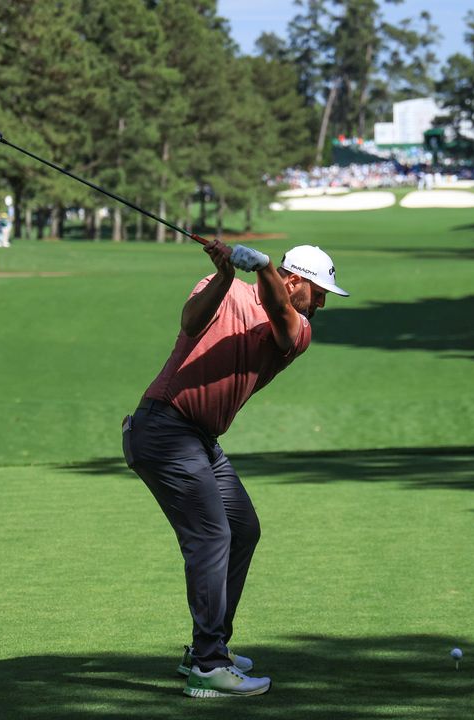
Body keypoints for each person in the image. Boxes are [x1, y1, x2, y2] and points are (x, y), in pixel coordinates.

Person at [123, 242, 348, 698]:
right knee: (211, 536)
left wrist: (263, 266)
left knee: (243, 529)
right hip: (165, 428)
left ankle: (209, 645)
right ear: (294, 281)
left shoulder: (299, 328)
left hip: (200, 440)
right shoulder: (219, 288)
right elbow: (190, 322)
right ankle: (208, 665)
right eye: (319, 291)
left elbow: (281, 319)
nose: (322, 302)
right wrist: (226, 273)